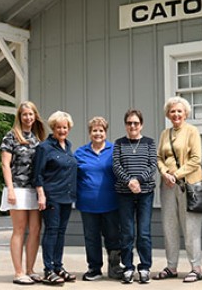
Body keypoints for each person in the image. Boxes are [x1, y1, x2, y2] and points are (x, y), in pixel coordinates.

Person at [155, 96, 202, 283]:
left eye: (179, 111)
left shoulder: (192, 131)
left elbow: (196, 159)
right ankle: (171, 266)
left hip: (188, 185)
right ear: (168, 114)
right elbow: (159, 157)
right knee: (169, 227)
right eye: (172, 111)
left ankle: (196, 267)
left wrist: (176, 175)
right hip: (167, 185)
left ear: (185, 114)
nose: (176, 114)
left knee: (190, 227)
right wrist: (165, 172)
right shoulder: (164, 134)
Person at [0, 101, 47, 285]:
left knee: (35, 230)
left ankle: (30, 269)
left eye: (30, 114)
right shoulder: (10, 137)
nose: (28, 117)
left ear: (35, 116)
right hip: (17, 189)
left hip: (34, 190)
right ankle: (18, 272)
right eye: (24, 114)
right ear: (19, 117)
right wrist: (10, 189)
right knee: (19, 230)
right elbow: (5, 164)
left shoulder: (38, 138)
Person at [74, 116, 123, 281]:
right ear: (90, 133)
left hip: (111, 202)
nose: (98, 133)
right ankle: (94, 268)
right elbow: (73, 176)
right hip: (87, 203)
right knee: (91, 237)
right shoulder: (80, 153)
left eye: (101, 130)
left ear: (105, 132)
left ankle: (115, 266)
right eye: (94, 130)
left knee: (113, 236)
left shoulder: (114, 150)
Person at [112, 109, 157, 284]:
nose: (132, 126)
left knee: (144, 232)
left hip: (145, 193)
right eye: (129, 123)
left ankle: (145, 267)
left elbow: (152, 165)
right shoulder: (119, 143)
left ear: (141, 125)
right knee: (127, 233)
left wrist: (137, 180)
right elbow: (116, 166)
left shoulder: (149, 143)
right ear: (125, 125)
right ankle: (128, 267)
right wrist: (129, 182)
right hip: (124, 194)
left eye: (136, 123)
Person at [34, 110, 78, 286]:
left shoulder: (68, 146)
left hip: (67, 197)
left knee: (61, 232)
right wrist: (41, 195)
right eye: (58, 127)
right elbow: (37, 174)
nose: (62, 130)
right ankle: (48, 270)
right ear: (53, 128)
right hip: (51, 196)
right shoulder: (44, 147)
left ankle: (58, 266)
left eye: (65, 127)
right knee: (52, 231)